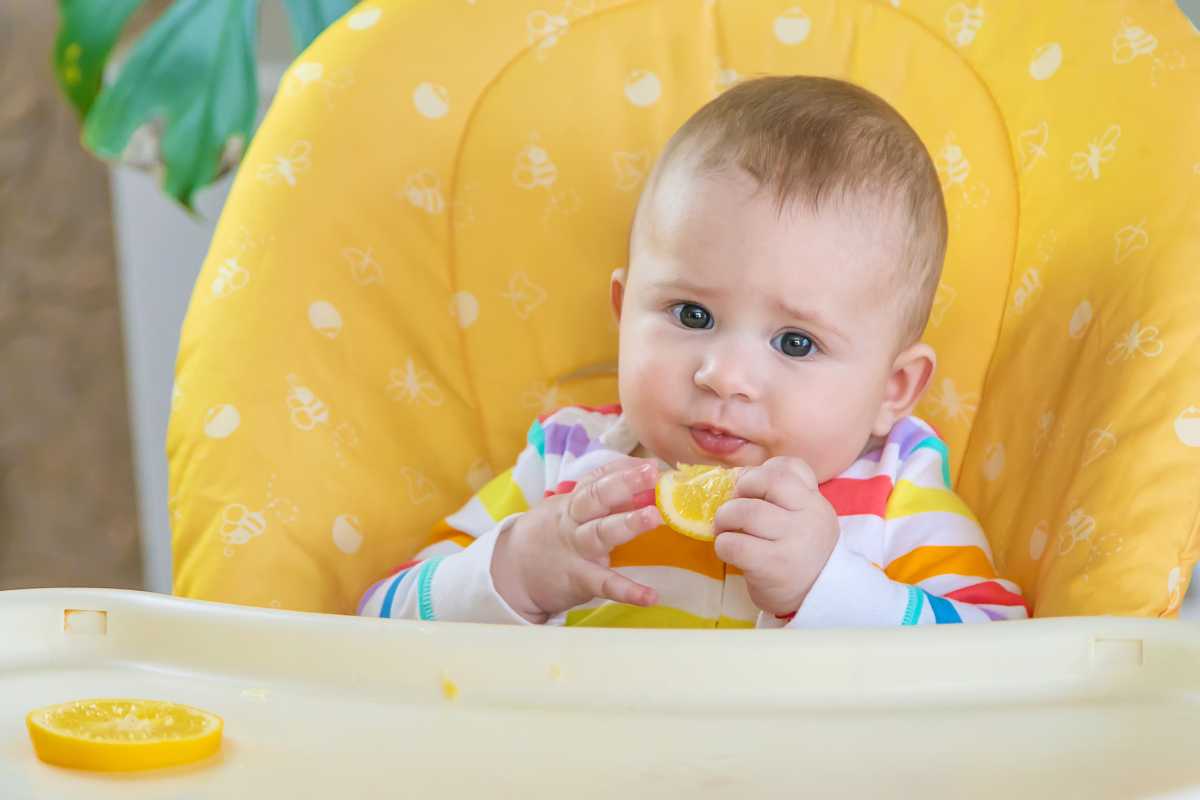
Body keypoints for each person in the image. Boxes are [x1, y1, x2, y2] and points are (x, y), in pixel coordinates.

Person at [359, 76, 1027, 628]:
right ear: (625, 315)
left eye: (796, 342)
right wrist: (515, 570)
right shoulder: (567, 462)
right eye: (691, 314)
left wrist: (826, 587)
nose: (724, 376)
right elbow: (377, 618)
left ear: (893, 389)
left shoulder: (897, 492)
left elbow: (1005, 664)